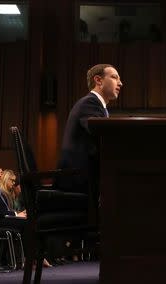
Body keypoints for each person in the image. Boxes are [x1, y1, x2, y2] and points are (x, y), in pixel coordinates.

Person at [57, 63, 123, 226]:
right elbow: (103, 136)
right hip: (78, 183)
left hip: (84, 180)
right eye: (115, 77)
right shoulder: (89, 103)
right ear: (98, 80)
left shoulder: (96, 106)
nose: (120, 83)